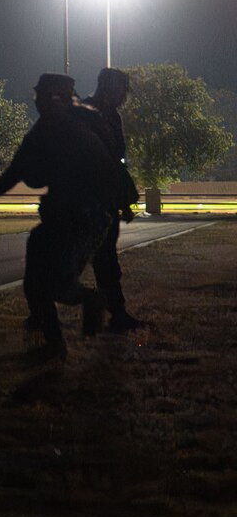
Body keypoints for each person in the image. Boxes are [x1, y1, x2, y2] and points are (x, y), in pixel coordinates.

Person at [0, 73, 130, 360]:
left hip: (85, 215)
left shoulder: (76, 121)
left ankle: (93, 302)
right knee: (34, 281)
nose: (38, 101)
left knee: (55, 282)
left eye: (42, 95)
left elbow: (110, 164)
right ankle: (53, 343)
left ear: (57, 97)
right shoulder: (62, 122)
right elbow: (20, 167)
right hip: (67, 212)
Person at [79, 67, 144, 330]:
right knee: (71, 260)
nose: (125, 98)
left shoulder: (113, 118)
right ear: (110, 88)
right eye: (123, 91)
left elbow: (116, 161)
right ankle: (40, 314)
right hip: (83, 199)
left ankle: (117, 314)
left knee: (106, 260)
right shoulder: (82, 113)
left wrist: (122, 200)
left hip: (104, 199)